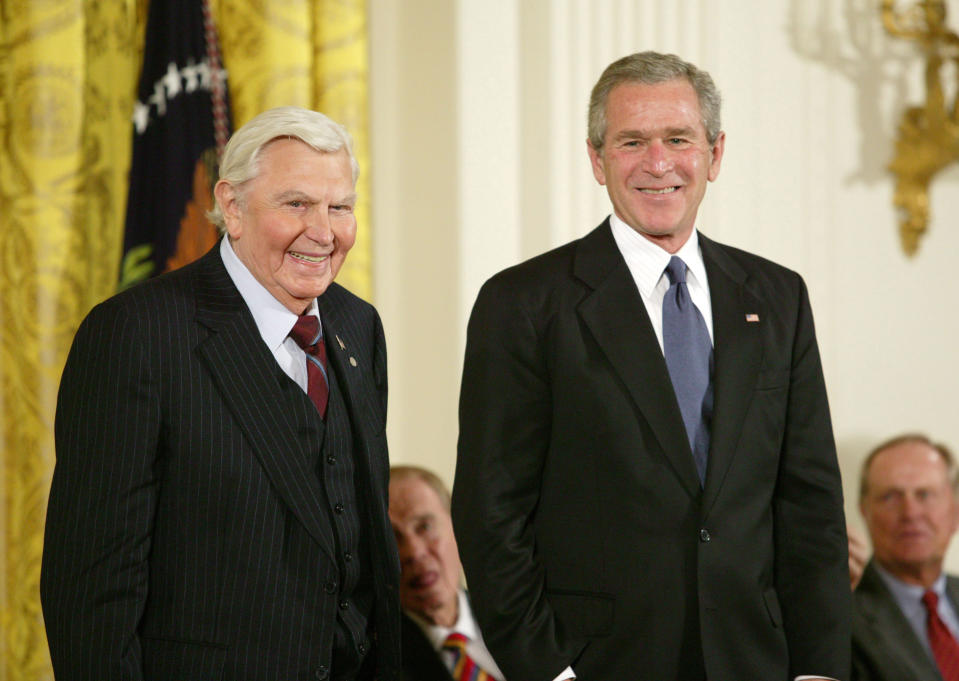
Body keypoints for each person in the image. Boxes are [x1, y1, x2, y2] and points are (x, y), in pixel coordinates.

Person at [452, 51, 849, 681]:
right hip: (599, 663)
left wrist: (820, 668)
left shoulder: (776, 296)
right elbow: (490, 515)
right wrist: (548, 672)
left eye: (678, 139)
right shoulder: (524, 302)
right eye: (631, 141)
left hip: (757, 660)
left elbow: (811, 505)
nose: (657, 163)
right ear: (597, 159)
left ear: (715, 155)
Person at [41, 106, 400, 681]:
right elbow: (91, 590)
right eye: (297, 204)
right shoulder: (138, 333)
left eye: (340, 207)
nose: (324, 232)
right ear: (231, 206)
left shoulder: (359, 326)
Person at [852, 434, 959, 681]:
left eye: (925, 494)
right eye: (890, 497)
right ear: (864, 510)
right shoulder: (843, 617)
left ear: (954, 511)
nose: (911, 513)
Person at [388, 465, 505, 681]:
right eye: (392, 539)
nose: (413, 552)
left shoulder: (515, 619)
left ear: (458, 528)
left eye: (424, 526)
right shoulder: (379, 662)